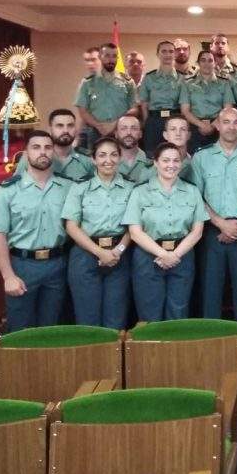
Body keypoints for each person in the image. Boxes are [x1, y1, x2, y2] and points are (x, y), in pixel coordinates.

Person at [0, 130, 71, 331]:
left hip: (58, 265)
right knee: (20, 330)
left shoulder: (67, 188)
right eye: (36, 147)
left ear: (54, 153)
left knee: (52, 328)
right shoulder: (7, 190)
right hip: (22, 266)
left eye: (48, 148)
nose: (43, 152)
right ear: (26, 153)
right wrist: (8, 276)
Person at [123, 142, 207, 320]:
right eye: (166, 160)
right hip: (148, 258)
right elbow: (135, 232)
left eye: (176, 160)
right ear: (155, 162)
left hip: (182, 256)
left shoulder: (192, 191)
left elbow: (197, 231)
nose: (171, 165)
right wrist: (163, 254)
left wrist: (174, 255)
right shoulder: (140, 192)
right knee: (149, 313)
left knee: (178, 312)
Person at [192, 108, 237, 320]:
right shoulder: (201, 157)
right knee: (210, 292)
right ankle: (209, 347)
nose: (231, 127)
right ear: (217, 125)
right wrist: (221, 223)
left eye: (236, 122)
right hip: (212, 233)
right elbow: (196, 197)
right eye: (226, 122)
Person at [61, 136, 133, 329]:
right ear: (93, 159)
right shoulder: (80, 187)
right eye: (102, 155)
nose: (107, 160)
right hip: (85, 255)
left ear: (120, 158)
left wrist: (117, 251)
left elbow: (133, 227)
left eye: (113, 155)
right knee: (88, 318)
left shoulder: (131, 188)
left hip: (119, 256)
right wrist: (99, 252)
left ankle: (114, 359)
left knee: (116, 319)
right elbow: (71, 226)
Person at [74, 42, 138, 151]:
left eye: (114, 56)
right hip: (95, 132)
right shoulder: (87, 83)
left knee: (121, 162)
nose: (111, 60)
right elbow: (82, 111)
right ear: (100, 57)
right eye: (107, 55)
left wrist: (115, 123)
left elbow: (135, 108)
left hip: (120, 131)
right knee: (97, 163)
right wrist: (99, 126)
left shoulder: (128, 82)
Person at [15, 109, 94, 182]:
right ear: (50, 129)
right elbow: (16, 187)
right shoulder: (31, 158)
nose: (65, 130)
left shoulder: (87, 159)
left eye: (70, 125)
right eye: (60, 126)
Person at [180, 50, 234, 153]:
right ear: (198, 63)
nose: (207, 63)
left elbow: (228, 109)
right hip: (194, 127)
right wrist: (201, 125)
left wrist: (212, 126)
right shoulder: (187, 84)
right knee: (195, 160)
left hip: (218, 127)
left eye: (210, 60)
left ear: (215, 63)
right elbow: (185, 111)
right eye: (203, 60)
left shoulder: (224, 83)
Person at [138, 40, 185, 155]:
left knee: (175, 154)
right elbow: (144, 103)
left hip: (175, 120)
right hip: (154, 121)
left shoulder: (183, 78)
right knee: (152, 154)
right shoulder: (149, 78)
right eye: (164, 51)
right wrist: (146, 121)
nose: (167, 54)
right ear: (158, 54)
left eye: (171, 51)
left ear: (175, 54)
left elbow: (184, 104)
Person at [114, 115, 153, 183]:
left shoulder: (153, 161)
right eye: (123, 128)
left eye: (134, 128)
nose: (129, 132)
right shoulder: (108, 161)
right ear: (116, 134)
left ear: (140, 134)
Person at [158, 115, 195, 183]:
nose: (178, 133)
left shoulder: (196, 165)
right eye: (173, 129)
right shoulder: (153, 168)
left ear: (189, 135)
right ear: (165, 135)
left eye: (183, 129)